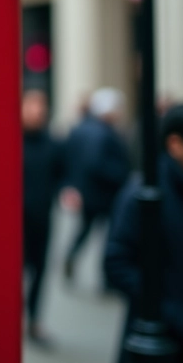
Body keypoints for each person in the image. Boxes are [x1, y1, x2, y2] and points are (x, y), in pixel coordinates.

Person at [105, 103, 183, 363]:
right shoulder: (143, 191)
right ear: (176, 144)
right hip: (165, 331)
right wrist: (166, 308)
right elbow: (116, 263)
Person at [63, 87, 132, 283]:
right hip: (105, 194)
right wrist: (122, 175)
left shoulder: (80, 128)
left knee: (85, 230)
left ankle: (71, 256)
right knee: (110, 236)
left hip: (87, 193)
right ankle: (108, 276)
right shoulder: (104, 133)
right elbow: (97, 163)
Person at [22, 88, 66, 345]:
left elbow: (63, 174)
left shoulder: (53, 143)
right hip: (15, 223)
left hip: (43, 216)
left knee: (40, 270)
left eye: (42, 106)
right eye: (33, 105)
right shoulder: (11, 140)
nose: (38, 111)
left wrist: (66, 190)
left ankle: (35, 319)